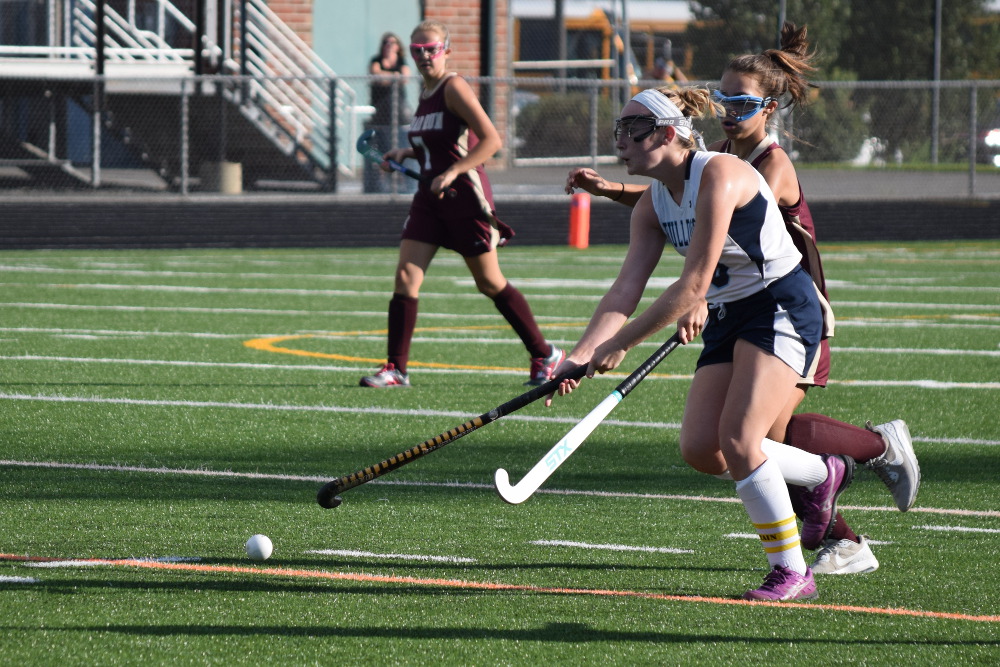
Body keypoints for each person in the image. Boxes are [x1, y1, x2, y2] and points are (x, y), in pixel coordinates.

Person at [564, 23, 918, 577]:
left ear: (668, 134)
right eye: (619, 127)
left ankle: (797, 566)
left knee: (747, 438)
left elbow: (694, 279)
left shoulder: (736, 171)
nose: (620, 140)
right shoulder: (656, 200)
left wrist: (628, 341)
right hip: (730, 309)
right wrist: (581, 354)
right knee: (707, 450)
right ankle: (828, 483)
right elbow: (625, 288)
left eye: (633, 128)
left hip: (785, 304)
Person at [359, 20, 564, 389]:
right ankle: (396, 368)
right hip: (429, 199)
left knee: (489, 282)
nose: (423, 56)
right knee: (406, 276)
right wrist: (406, 152)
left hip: (463, 196)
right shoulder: (424, 93)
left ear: (446, 51)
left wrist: (452, 171)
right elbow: (435, 143)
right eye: (417, 50)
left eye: (431, 49)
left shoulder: (454, 87)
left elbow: (490, 140)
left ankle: (544, 353)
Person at [365, 32, 415, 194]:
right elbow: (376, 75)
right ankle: (380, 187)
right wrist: (394, 76)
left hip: (399, 114)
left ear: (398, 46)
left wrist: (390, 77)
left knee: (400, 150)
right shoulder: (376, 60)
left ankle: (403, 186)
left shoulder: (401, 61)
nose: (389, 45)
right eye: (386, 42)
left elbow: (405, 77)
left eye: (392, 43)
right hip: (381, 114)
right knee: (382, 152)